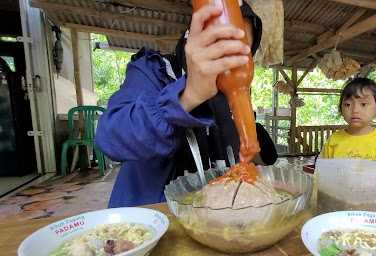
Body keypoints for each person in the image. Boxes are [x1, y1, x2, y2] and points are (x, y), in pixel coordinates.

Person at [95, 2, 263, 208]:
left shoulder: (230, 101)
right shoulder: (152, 71)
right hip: (149, 228)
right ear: (191, 39)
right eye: (221, 45)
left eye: (242, 53)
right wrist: (189, 95)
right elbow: (110, 138)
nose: (230, 61)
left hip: (215, 229)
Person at [320, 77, 376, 164]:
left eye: (363, 104)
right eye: (347, 104)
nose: (355, 110)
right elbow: (322, 174)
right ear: (340, 109)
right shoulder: (333, 141)